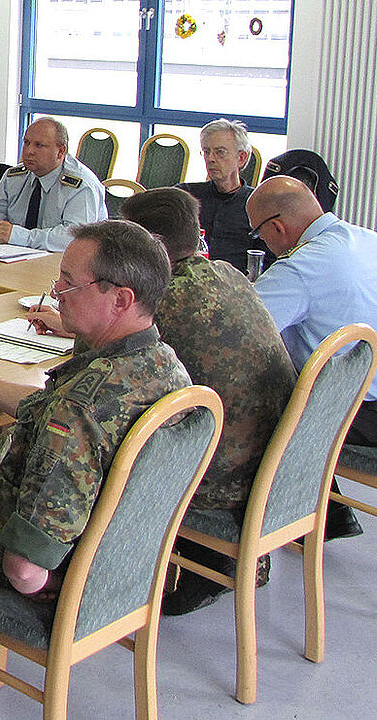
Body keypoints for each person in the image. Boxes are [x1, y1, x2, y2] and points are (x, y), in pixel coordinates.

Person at [26, 189, 297, 613]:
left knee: (65, 442)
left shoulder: (163, 300)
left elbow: (80, 397)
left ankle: (74, 572)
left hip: (209, 479)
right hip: (276, 467)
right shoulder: (226, 274)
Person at [0, 220, 189, 596]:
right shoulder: (166, 366)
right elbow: (46, 411)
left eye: (69, 282)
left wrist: (70, 589)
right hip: (124, 559)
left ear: (121, 300)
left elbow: (24, 570)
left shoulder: (76, 411)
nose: (56, 291)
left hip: (7, 557)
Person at [248, 175, 377, 539]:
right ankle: (331, 513)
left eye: (259, 234)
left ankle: (268, 522)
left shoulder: (300, 267)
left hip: (359, 411)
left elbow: (243, 329)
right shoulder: (367, 238)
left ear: (277, 227)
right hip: (370, 397)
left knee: (257, 397)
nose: (263, 242)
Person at [0, 117, 106, 252]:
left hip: (64, 262)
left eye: (39, 145)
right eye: (26, 143)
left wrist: (20, 236)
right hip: (13, 257)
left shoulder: (81, 186)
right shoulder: (14, 177)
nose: (29, 151)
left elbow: (73, 238)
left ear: (61, 151)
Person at [177, 118, 271, 269]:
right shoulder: (186, 195)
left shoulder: (258, 203)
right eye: (206, 152)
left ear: (241, 158)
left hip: (238, 280)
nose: (210, 159)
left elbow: (266, 260)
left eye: (220, 152)